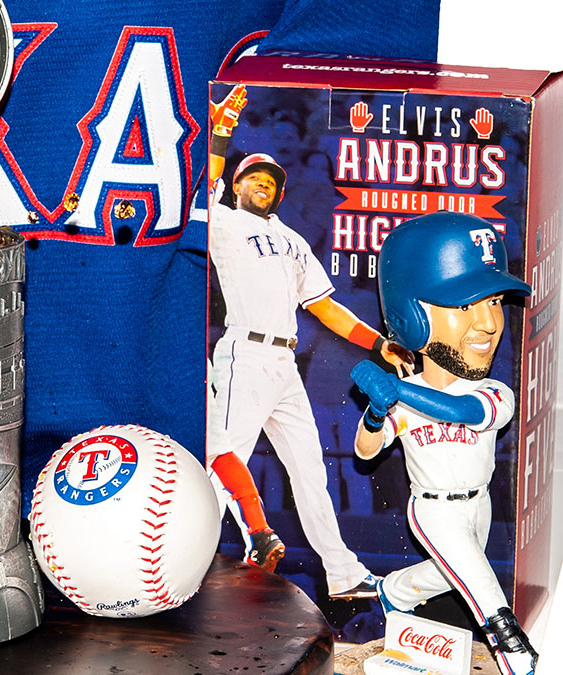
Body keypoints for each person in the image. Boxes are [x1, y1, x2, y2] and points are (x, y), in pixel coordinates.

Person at [205, 85, 411, 598]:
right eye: (251, 177)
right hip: (244, 352)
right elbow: (207, 179)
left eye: (270, 181)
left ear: (280, 192)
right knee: (225, 460)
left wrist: (377, 344)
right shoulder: (224, 221)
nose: (261, 184)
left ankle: (342, 574)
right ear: (236, 185)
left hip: (284, 363)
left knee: (311, 475)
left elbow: (323, 306)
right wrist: (222, 131)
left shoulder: (294, 239)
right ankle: (193, 555)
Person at [351, 211, 537, 675]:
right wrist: (377, 412)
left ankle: (393, 591)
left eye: (493, 302)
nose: (489, 323)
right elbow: (365, 452)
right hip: (432, 509)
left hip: (479, 505)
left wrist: (398, 392)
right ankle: (515, 651)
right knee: (481, 584)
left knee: (447, 574)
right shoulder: (403, 400)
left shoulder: (494, 393)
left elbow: (459, 412)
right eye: (464, 306)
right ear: (410, 318)